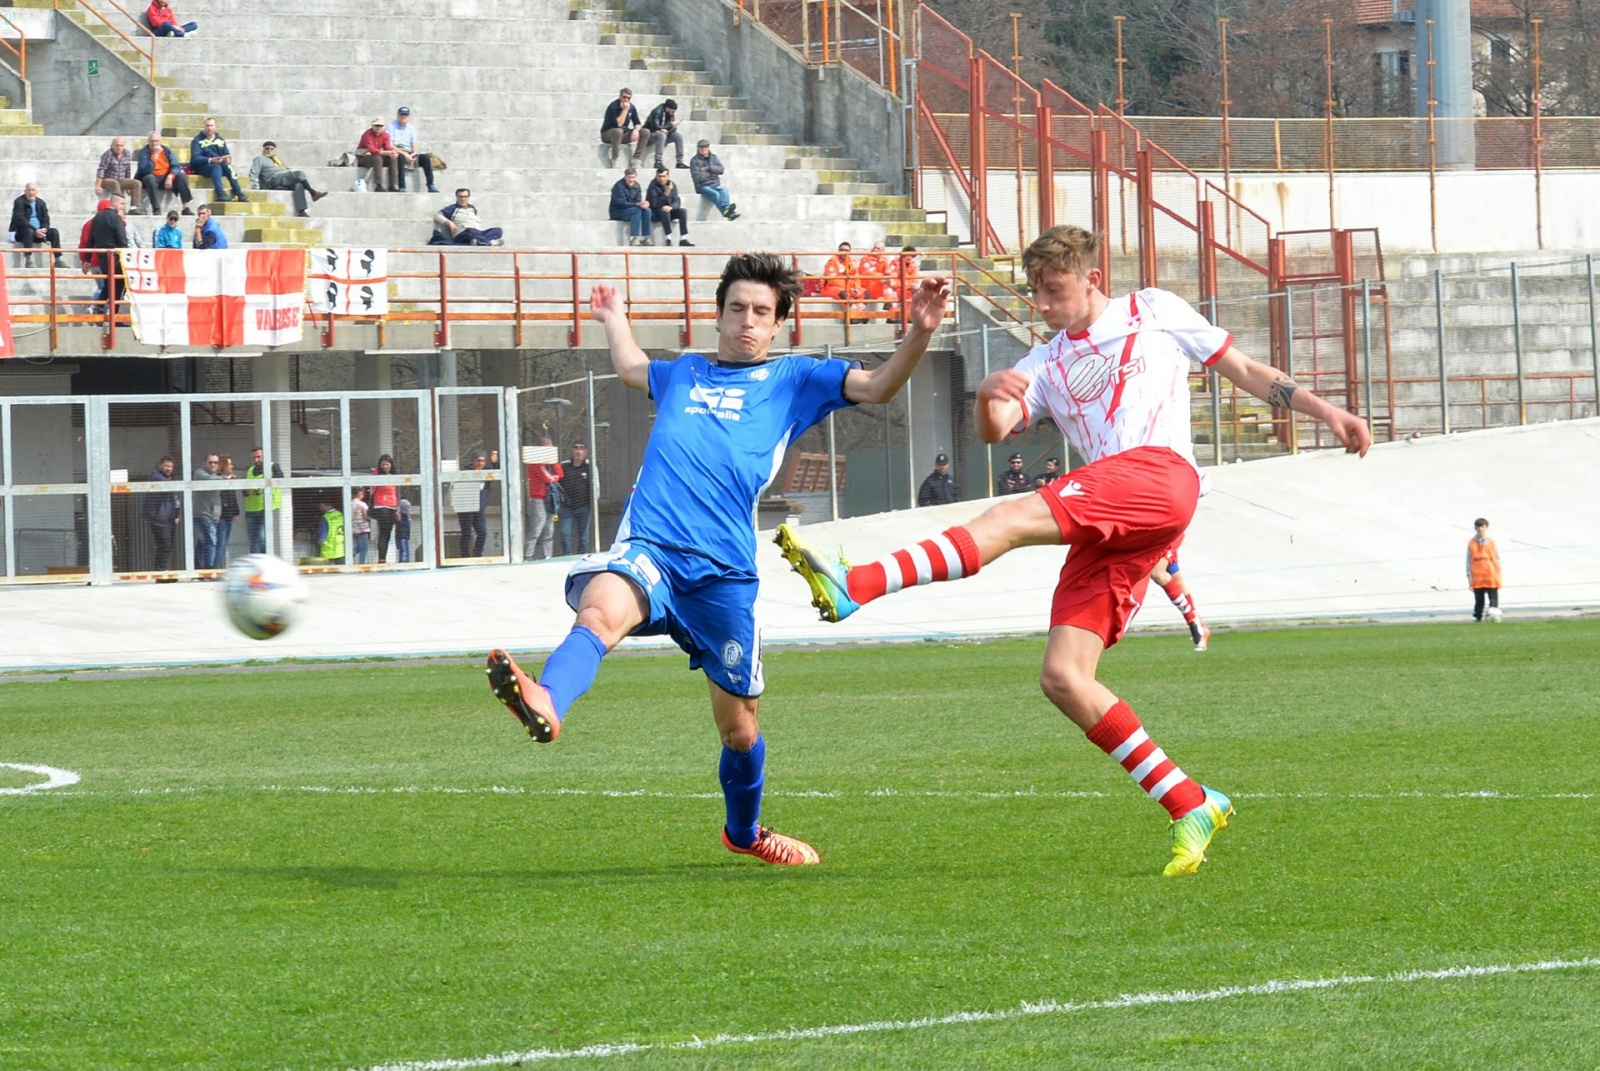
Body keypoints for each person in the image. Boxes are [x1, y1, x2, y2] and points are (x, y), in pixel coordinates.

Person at [774, 223, 1371, 877]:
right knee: (1063, 676)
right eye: (1034, 292)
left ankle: (859, 584)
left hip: (1162, 476)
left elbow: (1249, 371)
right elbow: (995, 430)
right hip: (1115, 517)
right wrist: (984, 398)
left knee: (1011, 514)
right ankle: (1189, 800)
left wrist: (1328, 412)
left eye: (1053, 289)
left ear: (1093, 280)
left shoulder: (1152, 310)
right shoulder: (1045, 361)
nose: (1043, 304)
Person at [483, 253, 952, 869]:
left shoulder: (796, 380)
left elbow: (879, 385)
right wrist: (613, 318)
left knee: (740, 729)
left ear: (780, 321)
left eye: (761, 312)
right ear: (719, 315)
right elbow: (630, 367)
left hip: (725, 574)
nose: (746, 322)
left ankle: (745, 831)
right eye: (736, 310)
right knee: (599, 612)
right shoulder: (685, 372)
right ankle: (546, 697)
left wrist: (918, 333)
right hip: (651, 545)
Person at [1149, 539, 1209, 651]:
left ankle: (1194, 623)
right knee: (1176, 580)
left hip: (1166, 530)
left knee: (1158, 574)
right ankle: (1199, 623)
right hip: (1153, 533)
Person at [248, 141, 327, 218]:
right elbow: (254, 173)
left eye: (272, 149)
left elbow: (285, 169)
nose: (269, 150)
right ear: (263, 150)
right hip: (273, 179)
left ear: (274, 150)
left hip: (283, 179)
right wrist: (255, 187)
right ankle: (313, 192)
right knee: (299, 173)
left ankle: (301, 211)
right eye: (267, 149)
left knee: (299, 185)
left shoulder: (276, 159)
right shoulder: (260, 159)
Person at [135, 132, 195, 217]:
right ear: (148, 141)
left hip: (166, 177)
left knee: (182, 176)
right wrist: (154, 156)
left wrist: (170, 176)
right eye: (152, 141)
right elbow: (145, 170)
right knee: (149, 178)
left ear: (160, 141)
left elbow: (176, 166)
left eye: (156, 141)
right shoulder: (144, 152)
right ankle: (156, 208)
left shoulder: (167, 150)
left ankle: (185, 207)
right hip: (151, 178)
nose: (154, 143)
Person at [523, 436, 563, 560]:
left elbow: (560, 473)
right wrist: (554, 477)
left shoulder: (550, 463)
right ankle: (528, 554)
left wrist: (553, 462)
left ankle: (547, 554)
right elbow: (546, 477)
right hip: (538, 497)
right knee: (537, 526)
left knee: (549, 527)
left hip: (550, 497)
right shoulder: (535, 461)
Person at [86, 195, 130, 304]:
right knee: (119, 284)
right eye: (121, 204)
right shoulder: (115, 217)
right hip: (114, 257)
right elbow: (122, 238)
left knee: (108, 283)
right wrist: (127, 255)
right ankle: (114, 314)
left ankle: (99, 307)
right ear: (114, 203)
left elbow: (90, 240)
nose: (122, 207)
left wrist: (87, 259)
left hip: (102, 257)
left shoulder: (97, 217)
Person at [190, 118, 246, 203]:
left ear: (216, 127)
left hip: (219, 164)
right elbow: (195, 158)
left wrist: (227, 159)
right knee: (216, 167)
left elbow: (226, 153)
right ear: (204, 127)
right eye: (207, 126)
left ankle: (238, 192)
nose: (209, 128)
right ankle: (220, 193)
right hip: (202, 166)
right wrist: (210, 160)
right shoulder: (197, 140)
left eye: (211, 126)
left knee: (228, 167)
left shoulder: (220, 140)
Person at [9, 184, 65, 268]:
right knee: (29, 231)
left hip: (39, 232)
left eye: (33, 190)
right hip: (22, 232)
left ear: (36, 192)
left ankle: (58, 259)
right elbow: (20, 220)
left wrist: (44, 229)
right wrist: (35, 230)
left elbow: (46, 219)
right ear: (25, 191)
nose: (31, 192)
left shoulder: (41, 203)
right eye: (29, 190)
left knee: (54, 232)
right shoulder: (19, 202)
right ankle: (28, 260)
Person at [385, 106, 437, 193]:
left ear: (409, 117)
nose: (403, 117)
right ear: (398, 115)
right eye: (401, 115)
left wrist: (414, 153)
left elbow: (414, 144)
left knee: (426, 158)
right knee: (400, 157)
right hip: (397, 150)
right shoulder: (391, 126)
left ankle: (430, 184)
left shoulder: (411, 128)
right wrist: (405, 155)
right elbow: (390, 145)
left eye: (405, 115)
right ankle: (402, 186)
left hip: (409, 151)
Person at [143, 455, 180, 574]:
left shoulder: (170, 480)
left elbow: (176, 500)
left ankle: (163, 571)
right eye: (166, 466)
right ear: (160, 466)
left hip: (170, 519)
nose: (169, 469)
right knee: (164, 545)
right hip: (158, 519)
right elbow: (163, 485)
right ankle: (161, 572)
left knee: (168, 546)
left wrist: (177, 515)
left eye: (171, 466)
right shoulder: (155, 476)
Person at [243, 445, 283, 555]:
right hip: (251, 509)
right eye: (254, 458)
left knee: (262, 538)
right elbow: (244, 492)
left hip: (266, 508)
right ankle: (255, 563)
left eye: (259, 457)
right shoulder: (250, 470)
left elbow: (280, 478)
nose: (256, 460)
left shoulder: (273, 466)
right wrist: (248, 490)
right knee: (253, 540)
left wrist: (261, 483)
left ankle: (265, 561)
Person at [557, 441, 593, 556]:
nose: (578, 451)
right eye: (576, 448)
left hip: (584, 507)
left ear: (586, 452)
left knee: (584, 535)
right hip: (567, 507)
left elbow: (595, 485)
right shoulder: (564, 466)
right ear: (572, 451)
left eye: (581, 449)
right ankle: (566, 555)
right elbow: (556, 484)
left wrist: (594, 502)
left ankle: (582, 557)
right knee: (565, 533)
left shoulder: (590, 467)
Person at [432, 188, 503, 246]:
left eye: (465, 197)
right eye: (461, 197)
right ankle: (489, 242)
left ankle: (478, 241)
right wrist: (449, 223)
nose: (463, 199)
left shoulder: (472, 208)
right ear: (457, 197)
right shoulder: (452, 208)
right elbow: (437, 215)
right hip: (462, 234)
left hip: (477, 232)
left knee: (498, 230)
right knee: (470, 231)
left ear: (468, 197)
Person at [689, 139, 738, 220]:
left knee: (724, 190)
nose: (703, 149)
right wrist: (712, 174)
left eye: (705, 147)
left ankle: (726, 208)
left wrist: (708, 169)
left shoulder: (714, 157)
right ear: (698, 148)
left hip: (715, 184)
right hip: (702, 186)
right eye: (701, 147)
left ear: (708, 148)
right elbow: (697, 177)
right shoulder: (694, 161)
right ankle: (727, 213)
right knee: (715, 194)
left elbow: (721, 170)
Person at [191, 452, 223, 570]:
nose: (213, 465)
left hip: (213, 515)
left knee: (202, 543)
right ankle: (209, 571)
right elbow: (209, 479)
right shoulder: (199, 473)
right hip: (202, 514)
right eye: (210, 462)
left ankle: (199, 570)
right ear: (205, 463)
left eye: (216, 462)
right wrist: (226, 478)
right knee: (211, 541)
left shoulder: (217, 476)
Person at [95, 137, 144, 212]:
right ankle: (119, 207)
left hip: (121, 179)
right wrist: (98, 185)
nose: (119, 147)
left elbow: (128, 169)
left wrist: (128, 186)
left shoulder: (127, 154)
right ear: (113, 145)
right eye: (117, 145)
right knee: (115, 183)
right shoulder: (108, 154)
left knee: (136, 183)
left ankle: (134, 208)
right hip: (108, 180)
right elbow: (102, 169)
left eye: (121, 145)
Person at [1468, 517, 1503, 621]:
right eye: (1478, 526)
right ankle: (1478, 617)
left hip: (1491, 574)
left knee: (1493, 598)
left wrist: (1498, 571)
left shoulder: (1491, 541)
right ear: (1475, 528)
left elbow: (1497, 557)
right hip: (1478, 576)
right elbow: (1468, 561)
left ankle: (1494, 616)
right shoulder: (1472, 543)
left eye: (1482, 526)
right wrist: (1469, 576)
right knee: (1479, 600)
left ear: (1486, 527)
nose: (1480, 529)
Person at [646, 167, 691, 247]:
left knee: (683, 211)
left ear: (667, 176)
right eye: (659, 176)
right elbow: (654, 203)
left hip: (670, 210)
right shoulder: (653, 186)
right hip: (656, 212)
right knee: (665, 211)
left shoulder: (672, 185)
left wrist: (672, 207)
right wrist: (666, 193)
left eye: (663, 176)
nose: (661, 178)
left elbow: (677, 200)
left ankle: (683, 238)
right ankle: (668, 238)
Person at [457, 449, 490, 558]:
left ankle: (477, 555)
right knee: (466, 533)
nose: (480, 463)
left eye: (483, 461)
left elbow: (498, 471)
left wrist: (495, 462)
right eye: (478, 460)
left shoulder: (486, 472)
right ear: (473, 461)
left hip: (479, 507)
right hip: (466, 506)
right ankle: (465, 557)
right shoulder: (466, 472)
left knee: (482, 532)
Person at [599, 87, 642, 167]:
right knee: (618, 131)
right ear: (620, 96)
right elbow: (619, 124)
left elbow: (637, 123)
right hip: (608, 134)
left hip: (622, 134)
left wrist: (636, 130)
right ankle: (615, 159)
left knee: (644, 132)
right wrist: (625, 110)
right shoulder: (614, 106)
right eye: (624, 97)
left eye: (628, 98)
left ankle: (636, 158)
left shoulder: (632, 107)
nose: (626, 100)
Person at [608, 168, 651, 246]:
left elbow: (638, 200)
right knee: (636, 211)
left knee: (647, 210)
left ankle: (646, 237)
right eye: (629, 177)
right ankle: (634, 238)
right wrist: (637, 205)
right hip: (618, 211)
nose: (631, 180)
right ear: (625, 177)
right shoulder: (619, 186)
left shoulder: (637, 186)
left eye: (633, 177)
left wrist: (643, 204)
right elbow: (621, 203)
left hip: (631, 209)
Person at [370, 454, 400, 564]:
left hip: (392, 506)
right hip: (381, 505)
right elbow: (373, 488)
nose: (385, 466)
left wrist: (396, 509)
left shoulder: (394, 475)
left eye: (387, 464)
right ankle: (381, 559)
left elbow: (395, 492)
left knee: (388, 532)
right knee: (383, 532)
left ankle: (384, 557)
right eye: (383, 464)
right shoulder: (377, 473)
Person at [821, 241, 867, 313]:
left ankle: (860, 310)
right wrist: (849, 288)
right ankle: (854, 313)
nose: (844, 252)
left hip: (849, 287)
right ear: (838, 250)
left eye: (846, 250)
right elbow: (833, 280)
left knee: (865, 293)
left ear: (850, 252)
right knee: (843, 293)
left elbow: (856, 277)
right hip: (830, 288)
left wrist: (856, 287)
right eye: (841, 250)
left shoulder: (852, 263)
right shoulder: (832, 262)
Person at [357, 118, 401, 193]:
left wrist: (393, 153)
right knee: (377, 158)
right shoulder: (367, 135)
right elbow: (372, 150)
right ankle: (378, 184)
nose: (378, 128)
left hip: (377, 155)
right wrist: (388, 153)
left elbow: (387, 148)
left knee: (393, 158)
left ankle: (393, 184)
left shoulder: (385, 135)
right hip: (364, 157)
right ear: (372, 126)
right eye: (376, 125)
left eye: (380, 126)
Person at [642, 97, 686, 171]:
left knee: (678, 136)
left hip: (664, 134)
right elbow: (655, 127)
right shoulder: (657, 111)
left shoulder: (671, 115)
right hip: (651, 134)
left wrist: (671, 128)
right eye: (672, 111)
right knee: (661, 135)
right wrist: (670, 126)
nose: (673, 113)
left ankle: (679, 162)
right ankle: (658, 161)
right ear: (667, 108)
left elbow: (672, 129)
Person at [216, 454, 240, 567]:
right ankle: (215, 569)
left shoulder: (231, 479)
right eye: (230, 464)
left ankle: (219, 568)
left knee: (224, 543)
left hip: (228, 516)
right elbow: (222, 497)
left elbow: (232, 497)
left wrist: (235, 513)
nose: (232, 466)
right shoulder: (217, 479)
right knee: (220, 543)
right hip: (220, 517)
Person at [316, 499, 345, 565]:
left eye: (320, 505)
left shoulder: (325, 517)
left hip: (328, 549)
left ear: (325, 505)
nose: (319, 507)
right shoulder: (340, 514)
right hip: (340, 548)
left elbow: (322, 534)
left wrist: (319, 542)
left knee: (329, 572)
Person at [350, 488, 371, 565]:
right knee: (364, 547)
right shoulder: (362, 504)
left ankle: (349, 556)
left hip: (353, 528)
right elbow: (366, 515)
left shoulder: (349, 504)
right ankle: (362, 563)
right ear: (360, 494)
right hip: (362, 528)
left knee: (358, 546)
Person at [395, 498, 414, 564]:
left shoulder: (400, 515)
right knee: (404, 550)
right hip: (402, 536)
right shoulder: (403, 516)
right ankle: (404, 561)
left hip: (402, 536)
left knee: (402, 550)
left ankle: (402, 560)